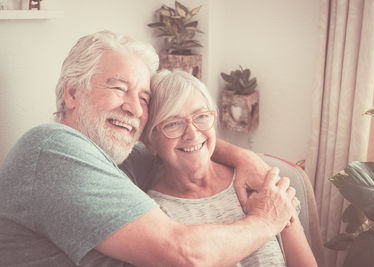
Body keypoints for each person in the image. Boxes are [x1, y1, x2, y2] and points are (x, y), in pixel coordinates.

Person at [0, 30, 296, 266]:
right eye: (118, 88)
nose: (133, 108)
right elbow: (185, 256)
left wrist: (245, 158)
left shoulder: (119, 157)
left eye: (143, 98)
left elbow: (180, 141)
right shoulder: (54, 150)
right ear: (72, 92)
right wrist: (267, 219)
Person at [141, 69, 317, 267]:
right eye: (173, 123)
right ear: (150, 142)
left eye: (200, 117)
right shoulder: (153, 214)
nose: (192, 133)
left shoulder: (257, 180)